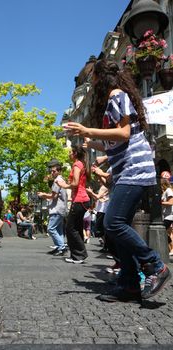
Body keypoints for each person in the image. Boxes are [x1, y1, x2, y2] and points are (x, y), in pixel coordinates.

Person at [64, 59, 171, 301]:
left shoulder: (117, 95)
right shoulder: (114, 99)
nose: (92, 86)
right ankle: (130, 285)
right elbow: (118, 139)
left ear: (102, 78)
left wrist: (88, 131)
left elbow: (124, 133)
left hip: (135, 170)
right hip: (127, 171)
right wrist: (95, 144)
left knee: (112, 224)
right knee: (117, 226)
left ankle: (156, 266)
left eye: (93, 81)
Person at [56, 145, 90, 264]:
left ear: (75, 153)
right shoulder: (80, 164)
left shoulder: (77, 165)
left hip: (80, 200)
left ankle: (80, 254)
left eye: (70, 152)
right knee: (76, 227)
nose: (69, 154)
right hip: (81, 199)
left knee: (70, 228)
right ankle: (78, 255)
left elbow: (75, 183)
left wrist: (64, 185)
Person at [37, 164, 68, 256]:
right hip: (61, 208)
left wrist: (43, 194)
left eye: (54, 171)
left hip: (57, 209)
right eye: (51, 171)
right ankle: (59, 247)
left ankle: (61, 247)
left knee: (51, 229)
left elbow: (53, 196)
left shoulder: (57, 181)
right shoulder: (62, 180)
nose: (52, 173)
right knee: (58, 230)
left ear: (59, 171)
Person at [161, 178, 173, 256]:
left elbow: (171, 202)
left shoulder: (168, 190)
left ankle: (172, 249)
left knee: (162, 231)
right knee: (168, 232)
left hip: (169, 215)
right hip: (165, 216)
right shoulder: (164, 192)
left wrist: (160, 202)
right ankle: (171, 249)